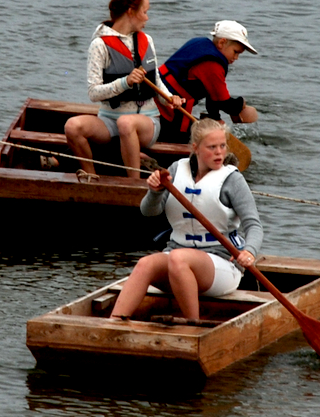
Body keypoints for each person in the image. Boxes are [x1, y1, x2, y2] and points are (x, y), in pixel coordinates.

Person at [110, 118, 263, 321]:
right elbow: (148, 212)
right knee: (145, 264)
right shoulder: (175, 170)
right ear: (195, 148)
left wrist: (249, 252)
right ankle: (114, 323)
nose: (219, 152)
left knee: (178, 258)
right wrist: (155, 192)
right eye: (212, 147)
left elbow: (254, 225)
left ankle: (192, 326)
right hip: (177, 261)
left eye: (222, 146)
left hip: (221, 266)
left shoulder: (232, 180)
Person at [64, 0, 183, 179]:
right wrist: (124, 82)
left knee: (126, 123)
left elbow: (157, 81)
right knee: (72, 126)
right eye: (144, 12)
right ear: (130, 12)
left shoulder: (147, 40)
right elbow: (93, 93)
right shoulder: (99, 45)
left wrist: (170, 98)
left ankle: (133, 183)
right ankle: (91, 177)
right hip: (109, 120)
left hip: (146, 123)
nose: (147, 18)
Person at [157, 20, 260, 144]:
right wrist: (241, 103)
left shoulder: (200, 43)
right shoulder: (212, 64)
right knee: (198, 140)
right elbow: (224, 103)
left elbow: (212, 97)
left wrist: (216, 117)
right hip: (165, 108)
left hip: (160, 99)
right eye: (235, 52)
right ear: (222, 42)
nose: (236, 58)